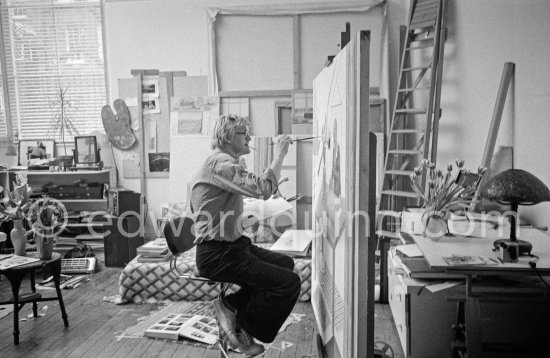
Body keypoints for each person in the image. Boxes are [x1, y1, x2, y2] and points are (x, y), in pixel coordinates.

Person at [189, 114, 301, 356]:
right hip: (219, 254)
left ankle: (230, 307)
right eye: (244, 133)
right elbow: (262, 188)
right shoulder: (221, 164)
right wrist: (280, 153)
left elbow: (259, 188)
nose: (250, 137)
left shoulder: (224, 163)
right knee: (289, 284)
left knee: (286, 263)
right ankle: (240, 333)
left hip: (233, 247)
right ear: (228, 136)